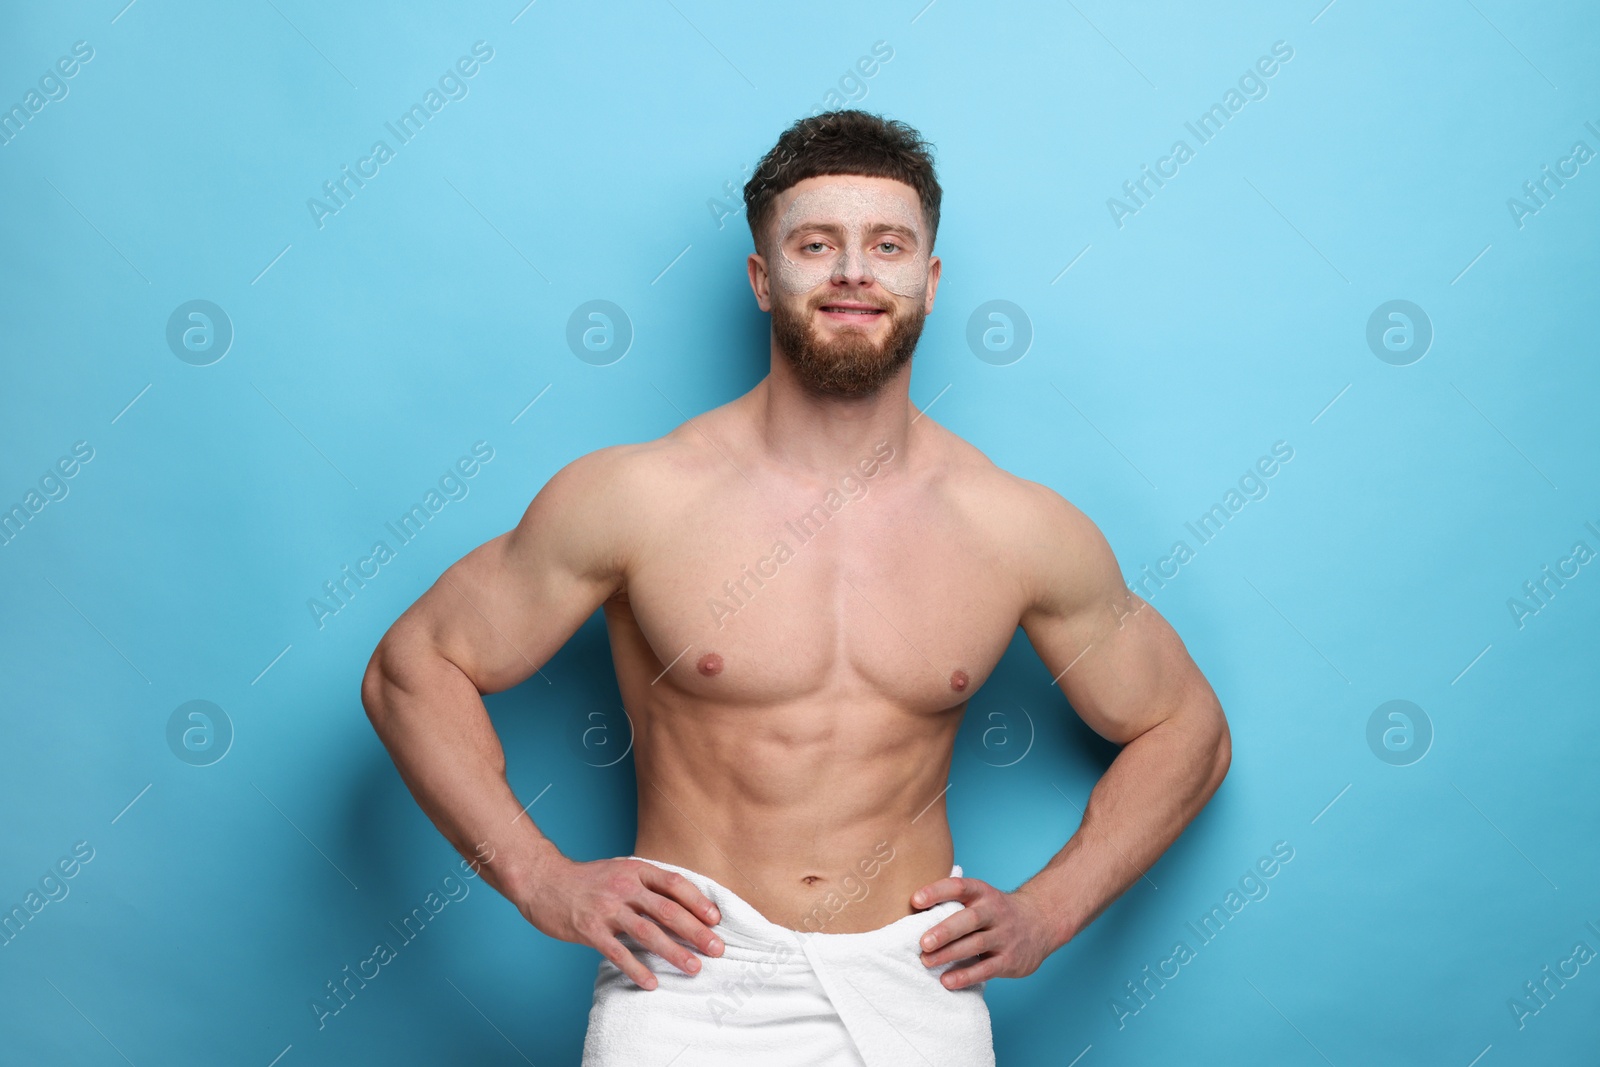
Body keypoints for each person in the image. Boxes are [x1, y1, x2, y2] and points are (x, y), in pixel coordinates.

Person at [361, 109, 1231, 1066]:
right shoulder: (638, 496)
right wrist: (542, 880)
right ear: (762, 277)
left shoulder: (1015, 527)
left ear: (929, 283)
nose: (855, 271)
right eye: (817, 244)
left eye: (887, 245)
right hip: (686, 983)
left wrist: (1049, 911)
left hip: (917, 987)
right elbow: (415, 667)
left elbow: (1187, 728)